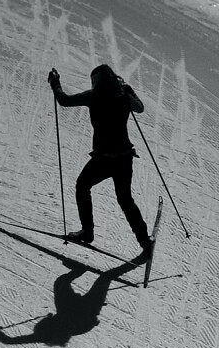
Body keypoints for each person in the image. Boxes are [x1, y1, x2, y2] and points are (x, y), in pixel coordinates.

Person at [48, 64, 153, 255]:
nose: (94, 83)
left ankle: (87, 231)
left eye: (96, 80)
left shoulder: (93, 96)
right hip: (124, 157)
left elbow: (64, 101)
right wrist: (128, 90)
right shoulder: (123, 95)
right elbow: (140, 108)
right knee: (125, 199)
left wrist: (55, 84)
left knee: (82, 186)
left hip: (104, 158)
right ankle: (145, 241)